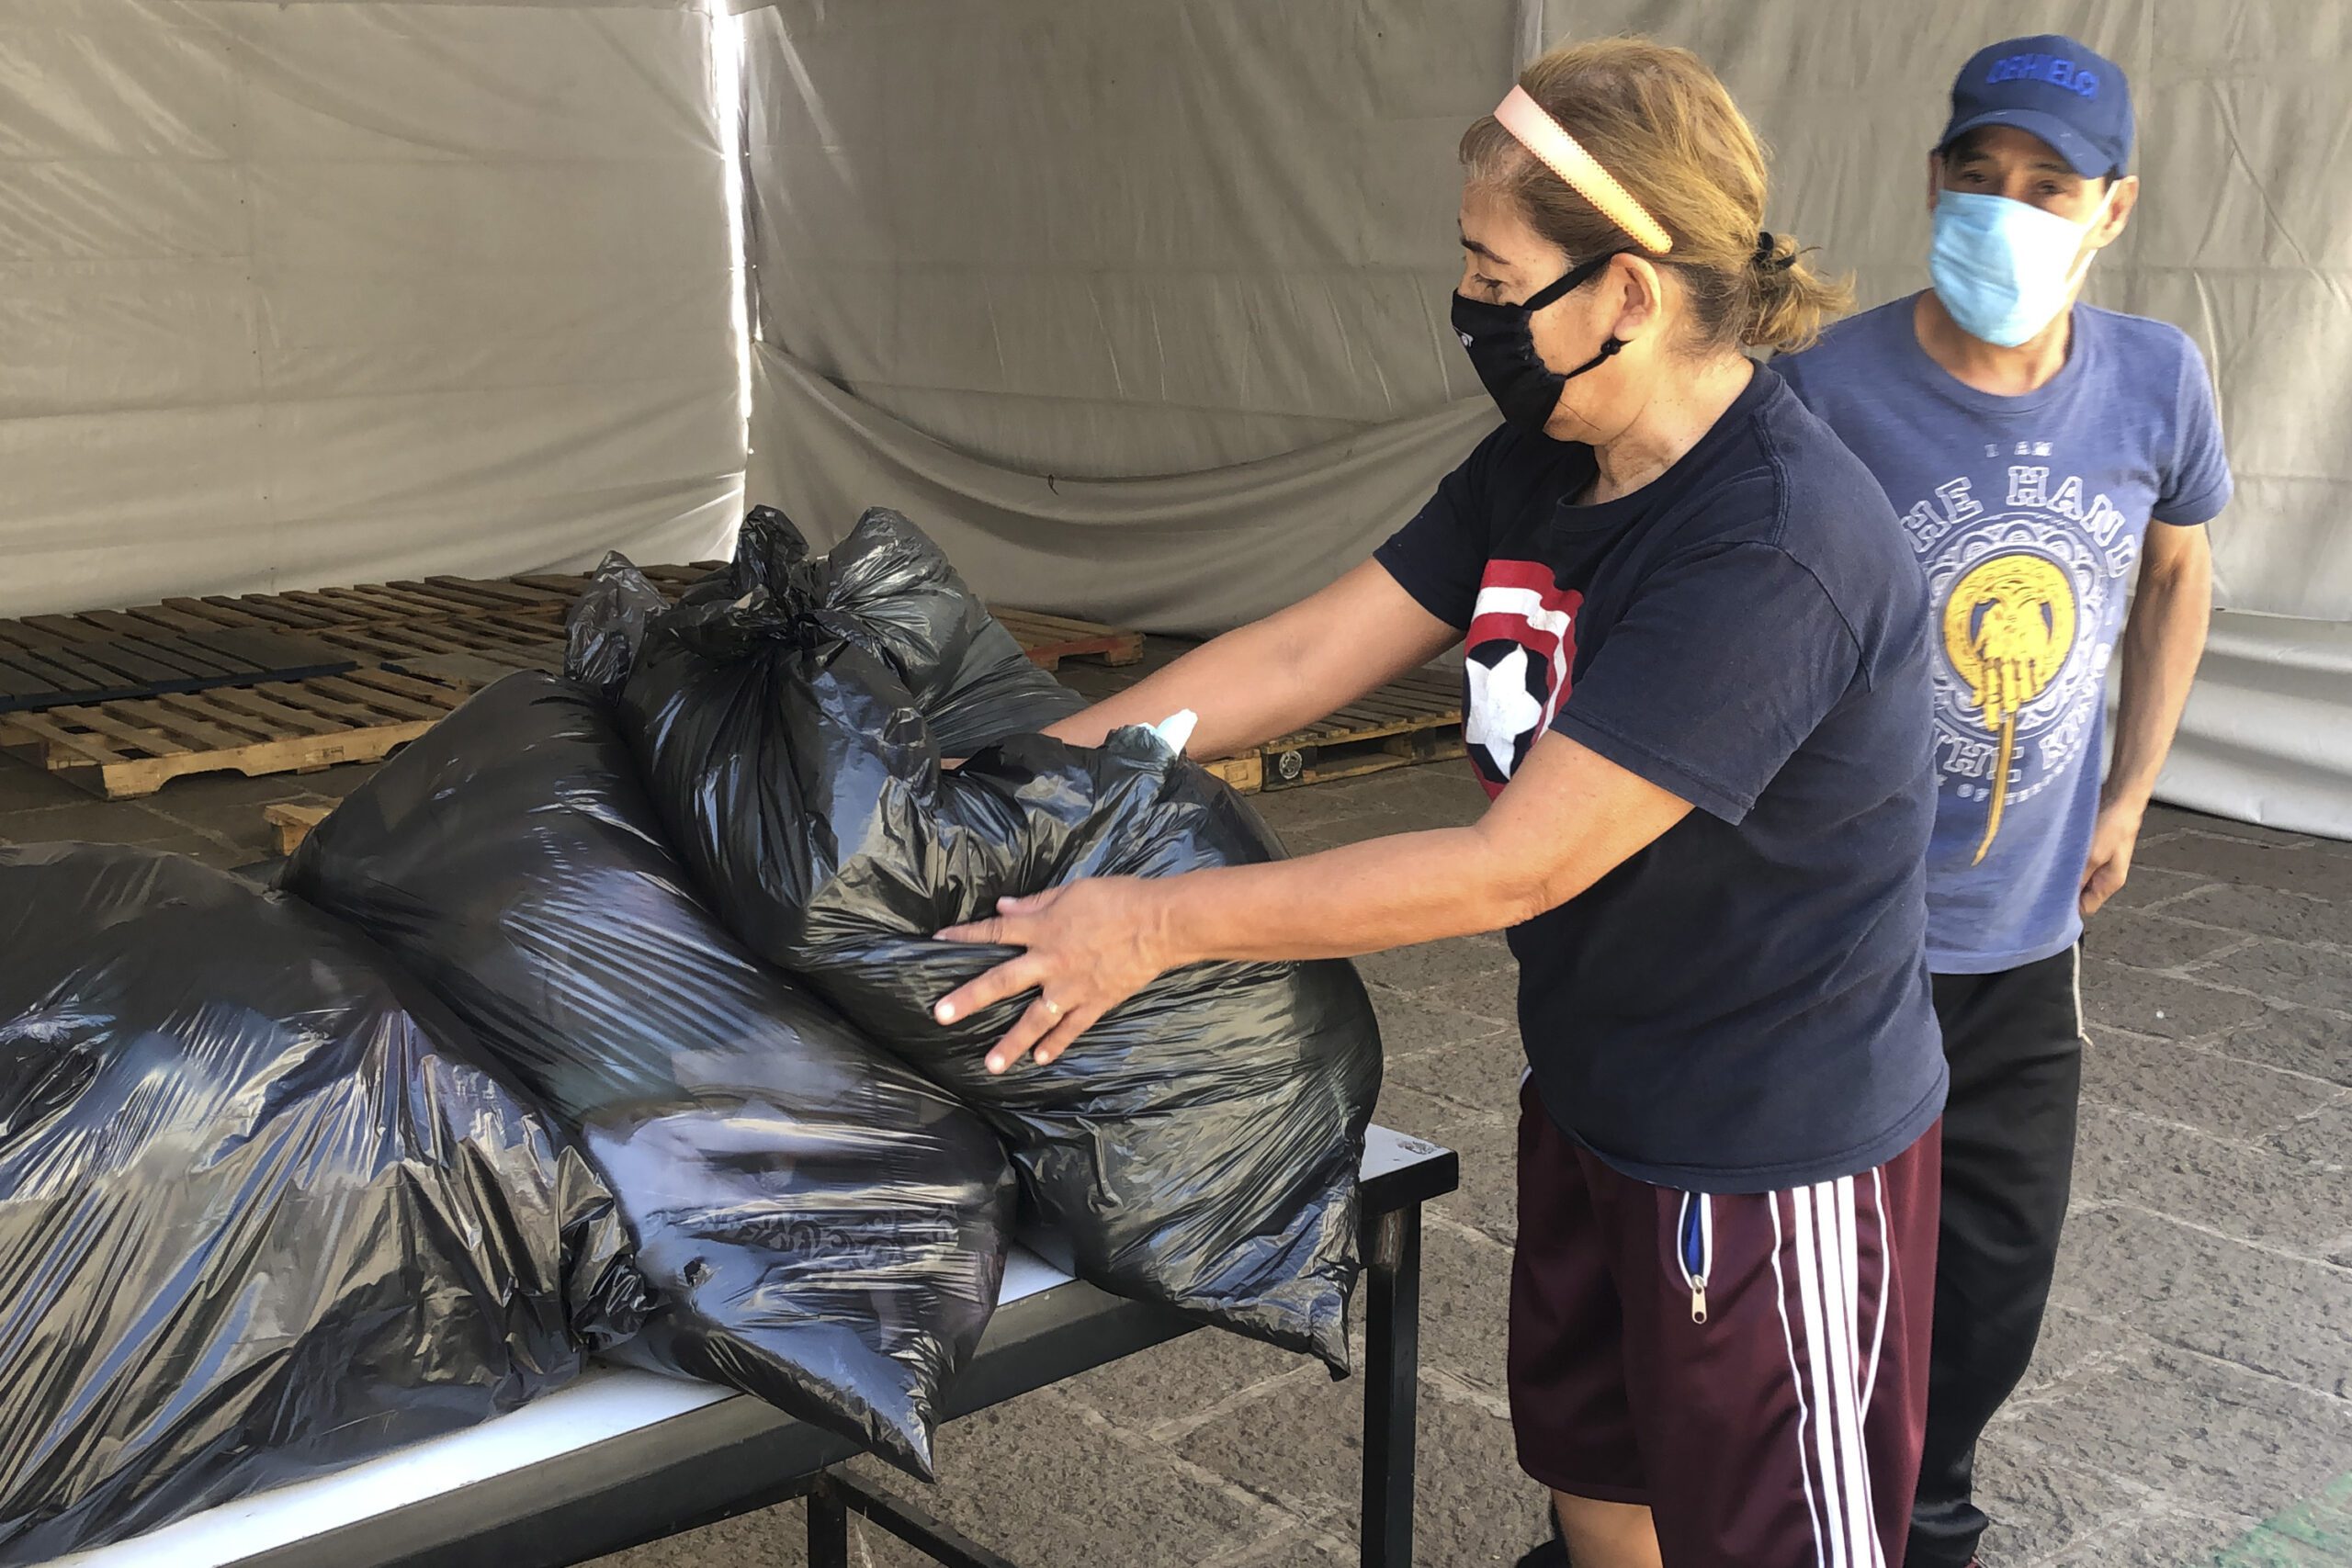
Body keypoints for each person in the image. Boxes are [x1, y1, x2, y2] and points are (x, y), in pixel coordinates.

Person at [933, 37, 1948, 1568]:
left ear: (1626, 292)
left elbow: (1509, 869)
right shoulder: (1544, 460)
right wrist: (1036, 767)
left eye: (1494, 267)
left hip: (1762, 1148)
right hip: (1600, 1088)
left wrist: (1144, 925)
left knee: (1767, 1537)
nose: (1467, 303)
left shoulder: (1773, 547)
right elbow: (1308, 649)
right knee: (1599, 1481)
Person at [1775, 34, 2230, 1568]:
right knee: (1814, 1265)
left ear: (2114, 209)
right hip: (1842, 931)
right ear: (1932, 182)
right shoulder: (1824, 393)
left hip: (2024, 939)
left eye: (2049, 188)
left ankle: (1930, 1510)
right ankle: (1759, 1502)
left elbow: (2177, 568)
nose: (2008, 212)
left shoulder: (2158, 380)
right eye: (1980, 180)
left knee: (1990, 1266)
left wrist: (2130, 791)